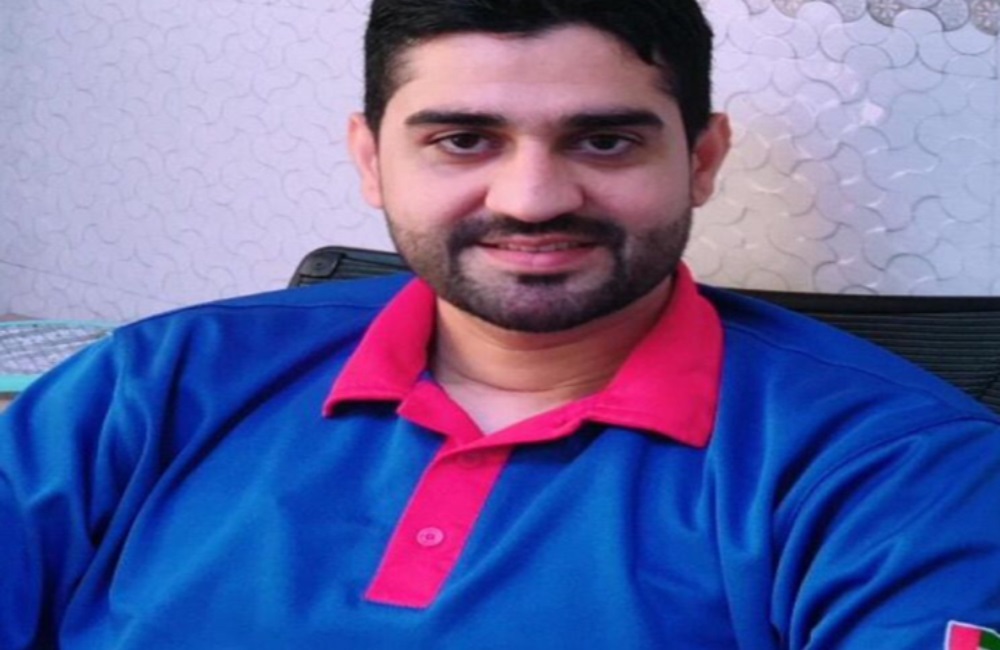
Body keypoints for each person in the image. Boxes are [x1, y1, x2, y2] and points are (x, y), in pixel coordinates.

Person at [2, 0, 999, 647]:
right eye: (463, 139)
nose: (531, 198)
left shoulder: (907, 470)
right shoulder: (157, 377)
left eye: (603, 141)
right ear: (371, 159)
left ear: (700, 159)